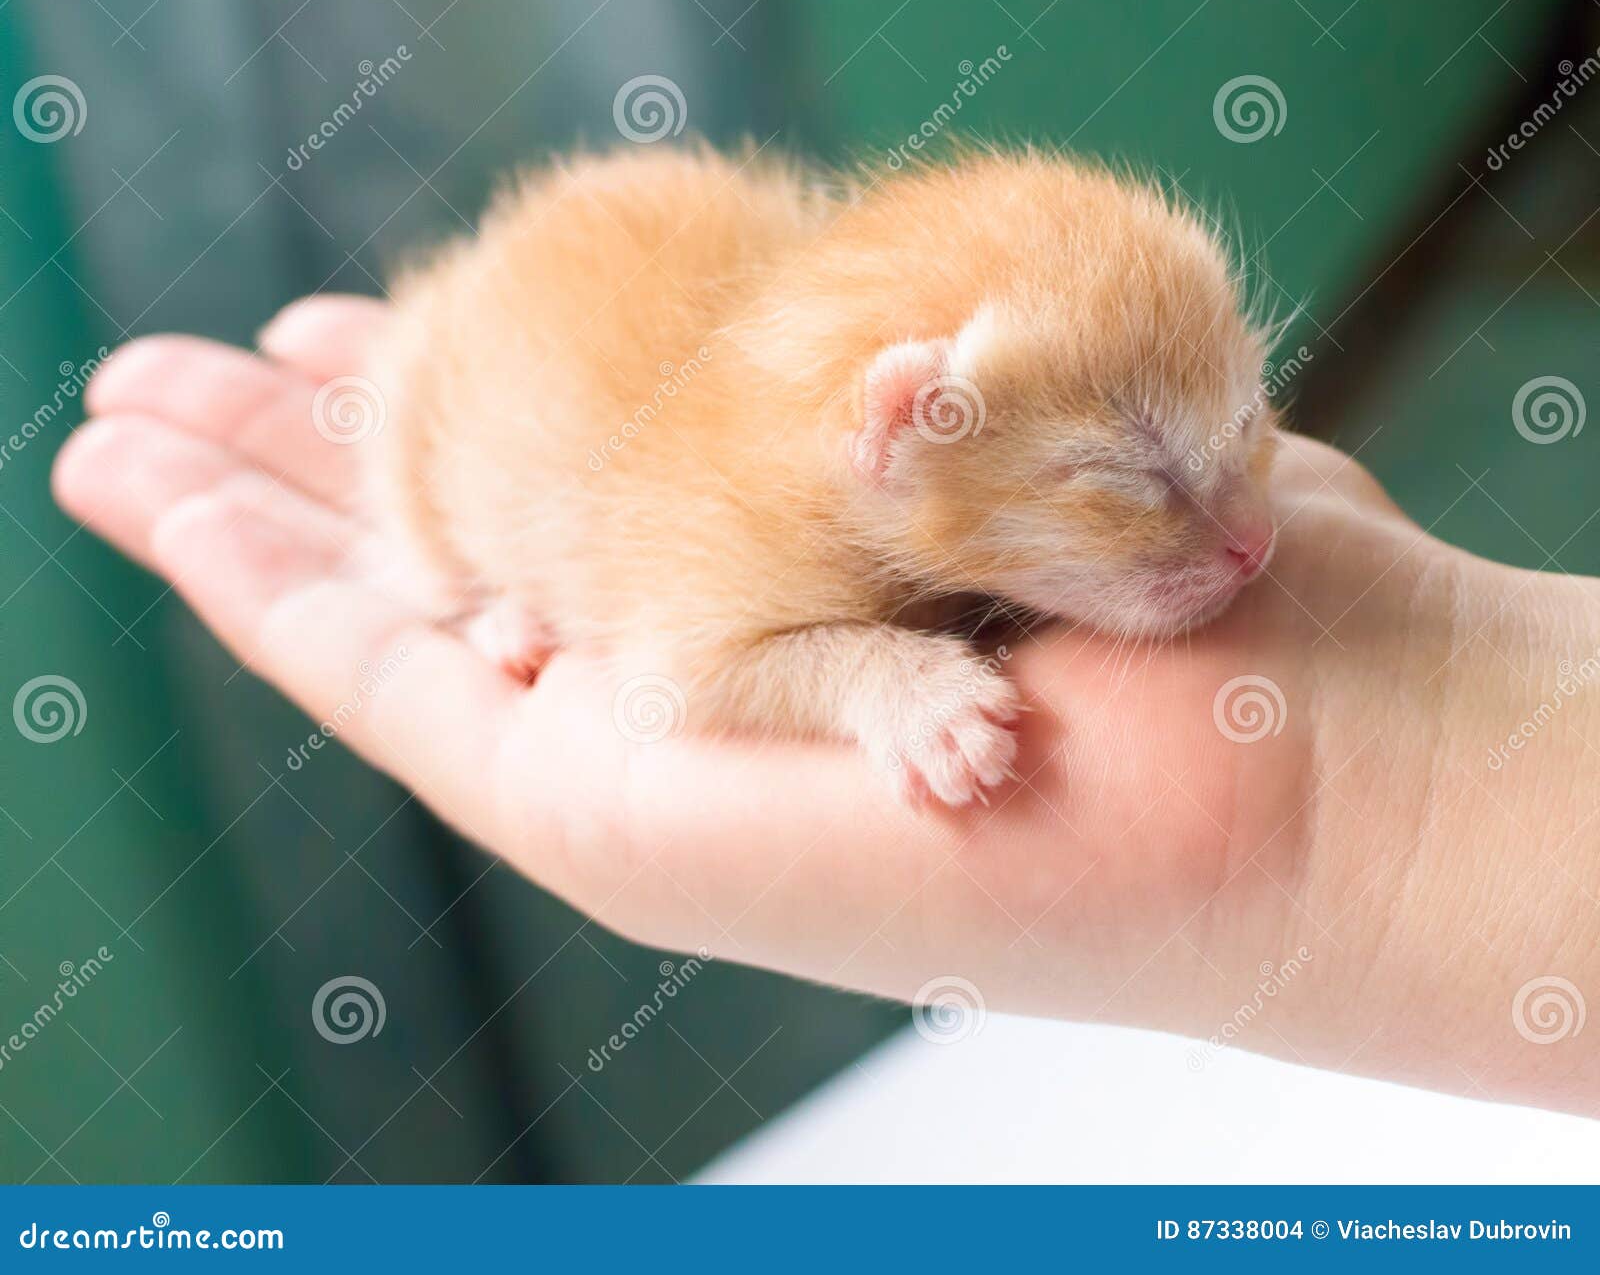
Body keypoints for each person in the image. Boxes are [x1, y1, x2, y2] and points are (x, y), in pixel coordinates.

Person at [51, 295, 1600, 1120]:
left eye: (1254, 419)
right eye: (1139, 486)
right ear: (893, 431)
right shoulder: (788, 499)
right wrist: (877, 673)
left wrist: (1343, 800)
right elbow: (693, 660)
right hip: (522, 430)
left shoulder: (939, 436)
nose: (1251, 535)